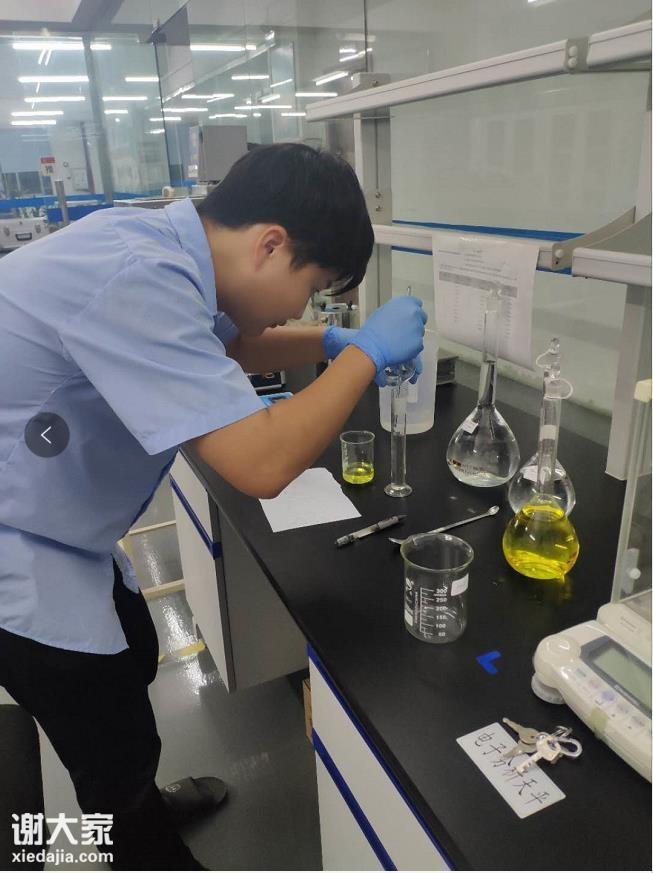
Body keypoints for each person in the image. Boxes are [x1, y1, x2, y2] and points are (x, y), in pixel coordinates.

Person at [0, 143, 426, 870]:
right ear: (271, 245)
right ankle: (133, 839)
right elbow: (261, 464)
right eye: (313, 288)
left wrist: (332, 340)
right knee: (106, 744)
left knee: (132, 664)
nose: (301, 308)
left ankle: (138, 802)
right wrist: (364, 356)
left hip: (57, 526)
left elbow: (218, 351)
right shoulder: (138, 277)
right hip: (21, 558)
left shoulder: (154, 245)